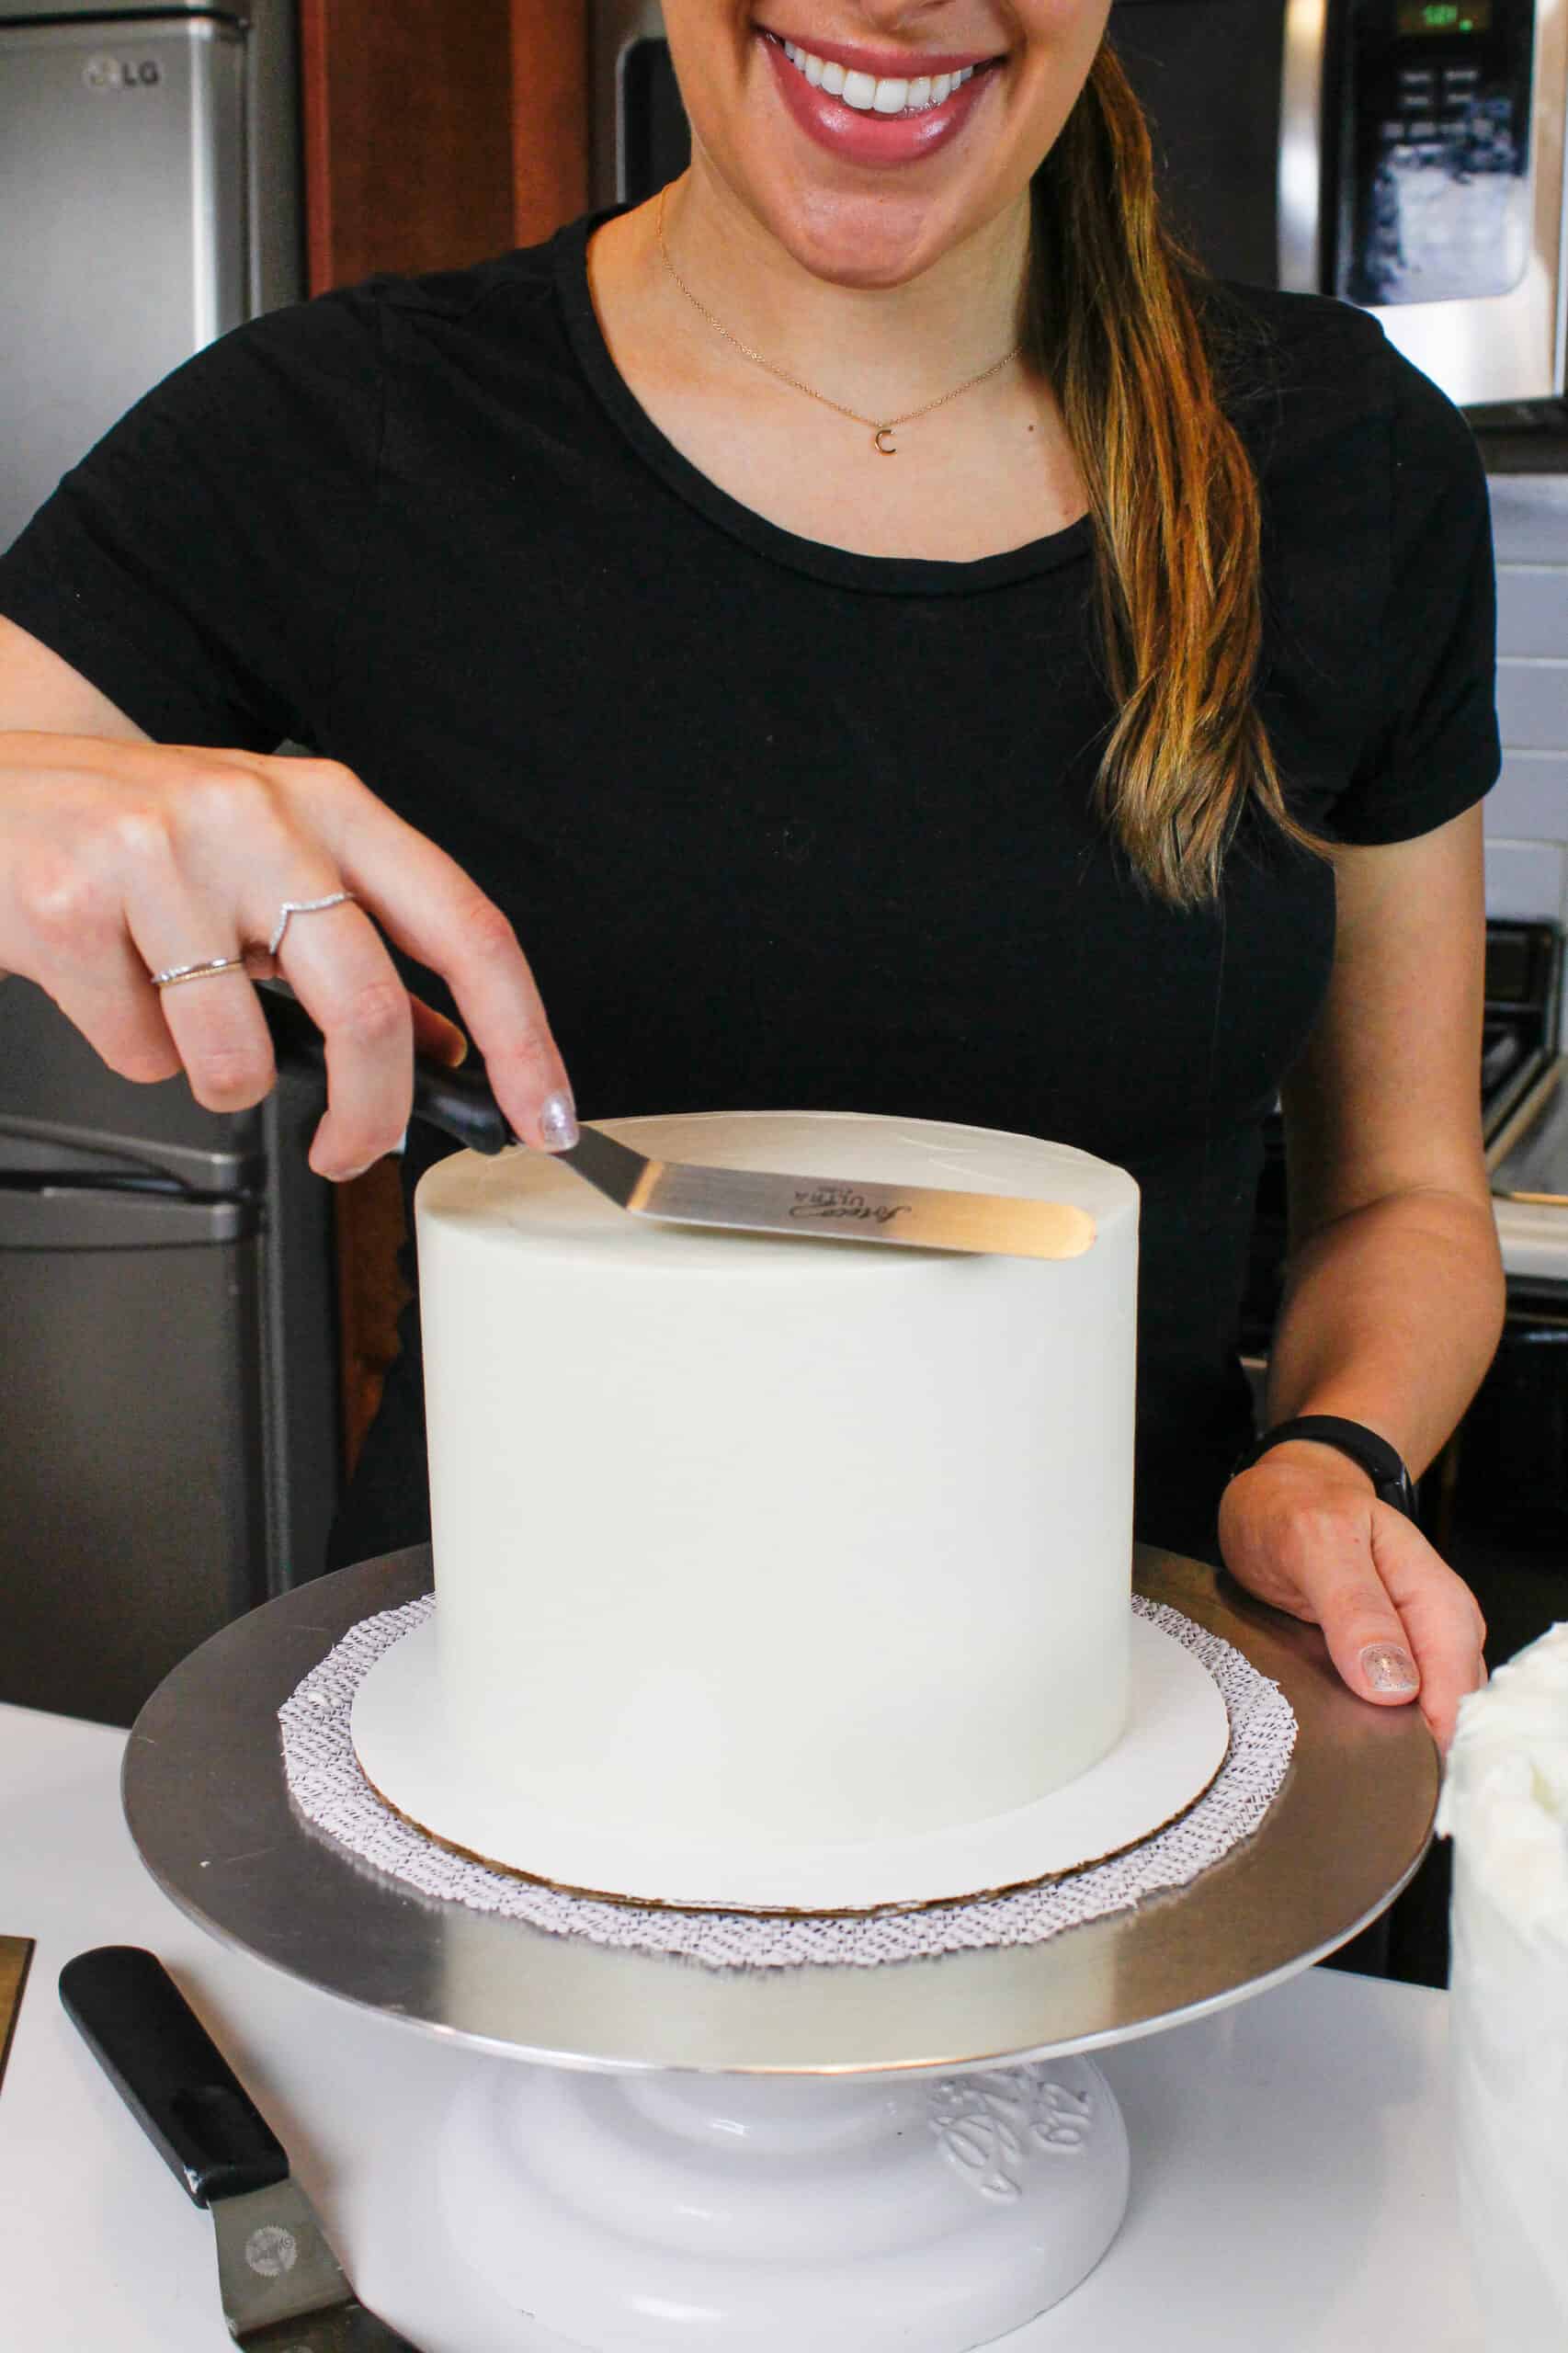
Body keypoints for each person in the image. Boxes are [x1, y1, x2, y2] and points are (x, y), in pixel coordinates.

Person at [0, 2, 1499, 1749]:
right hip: (513, 1739)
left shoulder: (1343, 458)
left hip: (1114, 1727)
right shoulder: (339, 426)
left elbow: (1403, 1200)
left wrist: (1329, 1455)